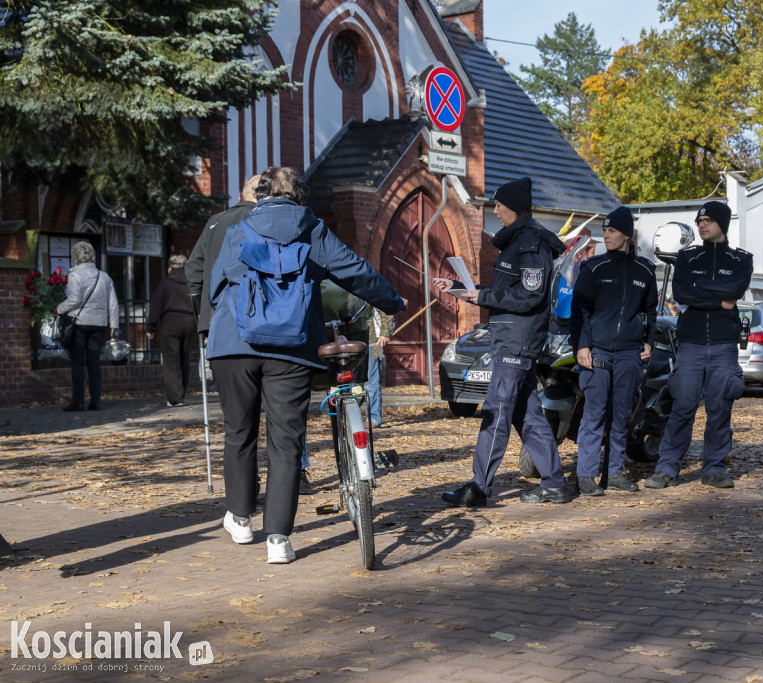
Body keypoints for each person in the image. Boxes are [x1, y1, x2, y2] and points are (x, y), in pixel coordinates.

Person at [207, 167, 405, 564]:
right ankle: (278, 540)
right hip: (292, 346)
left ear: (260, 195)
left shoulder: (237, 229)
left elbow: (216, 288)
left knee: (239, 431)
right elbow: (354, 271)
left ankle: (241, 519)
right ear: (300, 197)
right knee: (286, 441)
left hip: (234, 343)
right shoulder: (313, 230)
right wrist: (392, 301)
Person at [434, 176, 572, 506]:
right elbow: (506, 292)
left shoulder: (530, 245)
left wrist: (481, 296)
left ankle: (479, 487)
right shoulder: (517, 242)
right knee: (528, 416)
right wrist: (459, 288)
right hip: (511, 341)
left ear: (514, 208)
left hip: (517, 343)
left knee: (495, 412)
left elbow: (530, 296)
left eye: (498, 205)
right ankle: (554, 484)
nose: (495, 211)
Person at [644, 200, 753, 490]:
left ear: (722, 223)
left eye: (707, 220)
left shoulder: (740, 260)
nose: (702, 225)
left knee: (719, 409)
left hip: (723, 344)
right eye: (699, 221)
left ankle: (714, 469)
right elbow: (681, 292)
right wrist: (719, 300)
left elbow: (735, 289)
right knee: (682, 406)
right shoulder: (688, 258)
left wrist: (700, 289)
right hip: (691, 343)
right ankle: (666, 468)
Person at [570, 206, 658, 495]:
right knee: (594, 414)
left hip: (629, 354)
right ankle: (586, 475)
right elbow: (579, 310)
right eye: (605, 230)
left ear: (627, 235)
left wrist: (649, 341)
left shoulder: (645, 270)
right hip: (597, 352)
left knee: (621, 416)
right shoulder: (593, 268)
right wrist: (581, 345)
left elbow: (651, 311)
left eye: (612, 231)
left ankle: (614, 473)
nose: (606, 235)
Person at [186, 175, 260, 335]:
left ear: (243, 194)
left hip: (214, 317)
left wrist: (202, 313)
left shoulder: (215, 220)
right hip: (252, 315)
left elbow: (194, 267)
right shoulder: (261, 220)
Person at [56, 241, 120, 412]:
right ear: (92, 256)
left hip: (79, 323)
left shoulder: (75, 276)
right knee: (93, 362)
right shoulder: (104, 277)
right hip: (99, 324)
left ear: (75, 257)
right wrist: (114, 325)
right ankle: (95, 401)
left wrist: (58, 309)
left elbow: (74, 300)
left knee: (77, 362)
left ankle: (78, 402)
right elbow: (113, 304)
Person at [321, 281, 395, 427]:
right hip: (346, 340)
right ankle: (350, 418)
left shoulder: (366, 281)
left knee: (372, 382)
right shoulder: (332, 285)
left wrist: (385, 333)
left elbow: (385, 303)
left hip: (373, 341)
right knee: (347, 382)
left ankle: (374, 418)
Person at [147, 254, 198, 407]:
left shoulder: (166, 284)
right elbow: (198, 302)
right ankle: (181, 392)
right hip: (190, 322)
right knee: (184, 358)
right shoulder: (191, 283)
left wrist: (151, 327)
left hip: (170, 324)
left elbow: (155, 306)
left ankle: (175, 398)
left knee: (171, 360)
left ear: (170, 268)